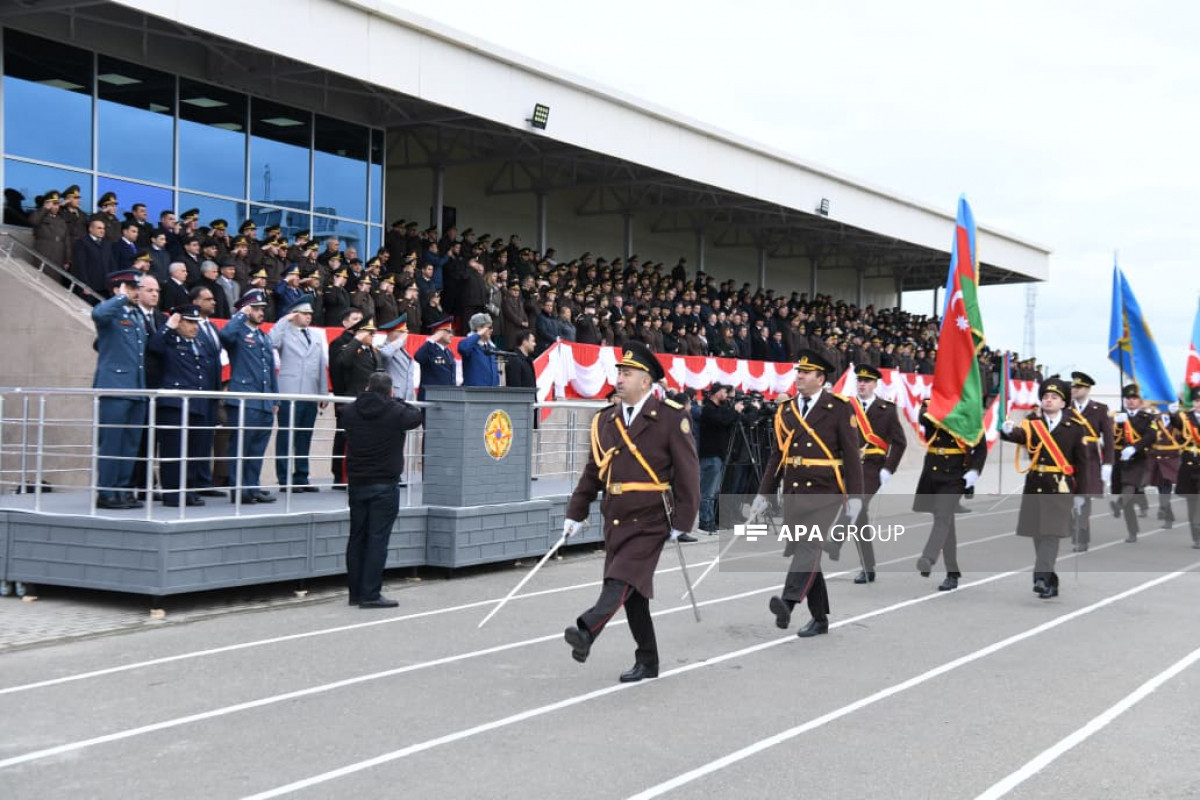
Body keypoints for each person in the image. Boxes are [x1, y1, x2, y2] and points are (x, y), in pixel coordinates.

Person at [561, 340, 700, 682]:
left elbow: (688, 472)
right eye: (619, 372)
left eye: (628, 373)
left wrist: (684, 521)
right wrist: (575, 512)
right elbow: (594, 471)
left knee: (620, 578)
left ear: (646, 381)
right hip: (616, 516)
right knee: (633, 594)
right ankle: (648, 661)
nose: (620, 379)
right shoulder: (606, 420)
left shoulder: (669, 417)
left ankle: (587, 628)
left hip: (652, 516)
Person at [749, 350, 864, 638]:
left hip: (826, 490)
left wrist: (856, 497)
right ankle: (820, 618)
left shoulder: (838, 407)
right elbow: (777, 455)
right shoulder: (786, 409)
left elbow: (851, 456)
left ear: (820, 378)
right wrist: (764, 493)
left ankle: (787, 603)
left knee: (809, 547)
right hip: (795, 490)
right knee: (807, 553)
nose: (798, 376)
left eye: (805, 372)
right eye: (798, 371)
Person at [1001, 377, 1091, 598]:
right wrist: (1007, 431)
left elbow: (1083, 463)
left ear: (1063, 403)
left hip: (1060, 487)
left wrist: (1082, 495)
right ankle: (1051, 580)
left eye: (1054, 397)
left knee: (1050, 533)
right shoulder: (1033, 423)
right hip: (1035, 485)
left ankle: (1040, 578)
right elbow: (1021, 436)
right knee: (1038, 534)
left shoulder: (1075, 427)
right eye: (1045, 397)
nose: (1049, 400)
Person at [342, 372, 424, 608]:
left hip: (357, 482)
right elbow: (416, 416)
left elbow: (348, 416)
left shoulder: (349, 411)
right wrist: (396, 400)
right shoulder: (396, 411)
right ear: (389, 391)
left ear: (367, 387)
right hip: (384, 484)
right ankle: (370, 594)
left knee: (357, 537)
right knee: (377, 539)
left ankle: (355, 593)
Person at [148, 304, 221, 507]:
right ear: (178, 321)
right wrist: (168, 326)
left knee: (193, 451)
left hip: (197, 403)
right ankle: (172, 493)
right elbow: (153, 346)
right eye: (189, 322)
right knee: (173, 451)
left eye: (196, 322)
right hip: (174, 405)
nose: (194, 327)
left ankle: (187, 490)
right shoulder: (169, 340)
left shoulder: (198, 343)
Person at [912, 398, 987, 590]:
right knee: (946, 524)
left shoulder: (969, 410)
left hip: (955, 474)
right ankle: (952, 573)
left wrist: (973, 472)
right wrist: (940, 407)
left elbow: (980, 448)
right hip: (932, 472)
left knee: (943, 515)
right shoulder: (931, 404)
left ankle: (928, 557)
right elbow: (923, 419)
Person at [91, 270, 149, 509]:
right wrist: (120, 298)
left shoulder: (135, 315)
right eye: (132, 287)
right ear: (118, 289)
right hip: (114, 387)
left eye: (137, 287)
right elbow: (98, 313)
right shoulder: (111, 311)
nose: (137, 292)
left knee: (130, 444)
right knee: (112, 442)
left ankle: (122, 490)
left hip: (136, 387)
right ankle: (106, 492)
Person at [847, 365, 907, 584]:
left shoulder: (887, 409)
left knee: (856, 503)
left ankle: (834, 541)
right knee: (859, 518)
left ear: (875, 384)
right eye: (859, 381)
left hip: (873, 467)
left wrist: (888, 469)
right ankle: (868, 566)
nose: (862, 384)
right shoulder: (847, 407)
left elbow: (900, 443)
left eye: (867, 381)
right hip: (850, 466)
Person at [219, 289, 279, 504]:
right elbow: (224, 336)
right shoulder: (238, 332)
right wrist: (241, 315)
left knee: (257, 449)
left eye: (262, 309)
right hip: (244, 399)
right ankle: (239, 490)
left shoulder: (263, 336)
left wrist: (275, 399)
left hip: (263, 401)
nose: (261, 312)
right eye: (256, 309)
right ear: (245, 309)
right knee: (241, 447)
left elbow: (270, 370)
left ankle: (252, 486)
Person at [271, 300, 329, 492]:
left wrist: (323, 393)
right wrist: (283, 320)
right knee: (286, 435)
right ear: (294, 314)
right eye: (304, 313)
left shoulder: (315, 335)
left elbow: (321, 365)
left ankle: (301, 477)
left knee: (305, 436)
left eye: (310, 314)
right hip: (290, 392)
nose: (308, 317)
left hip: (310, 393)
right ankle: (284, 478)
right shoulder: (285, 333)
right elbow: (270, 342)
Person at [1068, 371, 1114, 551]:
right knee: (1069, 500)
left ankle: (1081, 536)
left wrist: (1108, 463)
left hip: (1089, 459)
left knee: (1083, 499)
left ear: (1087, 389)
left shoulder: (1100, 409)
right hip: (1069, 459)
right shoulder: (1066, 408)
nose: (1074, 390)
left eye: (1078, 387)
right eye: (1073, 386)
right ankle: (1078, 532)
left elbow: (1109, 439)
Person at [1110, 384, 1156, 542]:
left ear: (1140, 401)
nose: (1130, 401)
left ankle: (1119, 504)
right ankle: (1132, 531)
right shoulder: (1117, 417)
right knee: (1128, 499)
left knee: (1129, 486)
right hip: (1120, 461)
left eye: (1134, 398)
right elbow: (1109, 437)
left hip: (1138, 460)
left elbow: (1151, 436)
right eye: (1128, 398)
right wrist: (1116, 424)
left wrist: (1135, 448)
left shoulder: (1147, 418)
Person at [697, 384, 742, 537]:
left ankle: (711, 521)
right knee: (707, 492)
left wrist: (734, 411)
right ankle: (705, 522)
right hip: (710, 455)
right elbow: (723, 421)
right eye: (724, 391)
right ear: (715, 393)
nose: (726, 395)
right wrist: (734, 411)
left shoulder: (719, 409)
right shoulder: (708, 409)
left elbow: (728, 421)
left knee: (714, 492)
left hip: (719, 455)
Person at [1178, 386, 1200, 549]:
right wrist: (1173, 410)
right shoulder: (1185, 417)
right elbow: (1174, 422)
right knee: (1192, 503)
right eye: (1197, 400)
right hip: (1189, 466)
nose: (1199, 403)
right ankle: (1196, 536)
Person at [414, 317, 457, 400]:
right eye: (448, 332)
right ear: (439, 333)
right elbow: (418, 356)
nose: (451, 335)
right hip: (431, 397)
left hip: (447, 397)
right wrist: (432, 339)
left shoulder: (448, 352)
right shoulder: (430, 349)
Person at [378, 315, 416, 402]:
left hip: (406, 397)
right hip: (391, 396)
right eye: (403, 333)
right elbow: (385, 354)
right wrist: (399, 341)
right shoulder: (383, 347)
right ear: (393, 333)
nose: (406, 337)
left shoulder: (403, 352)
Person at [458, 313, 500, 387]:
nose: (492, 330)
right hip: (475, 391)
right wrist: (478, 334)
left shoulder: (491, 347)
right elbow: (463, 349)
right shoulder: (470, 345)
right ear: (479, 328)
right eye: (489, 327)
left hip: (491, 391)